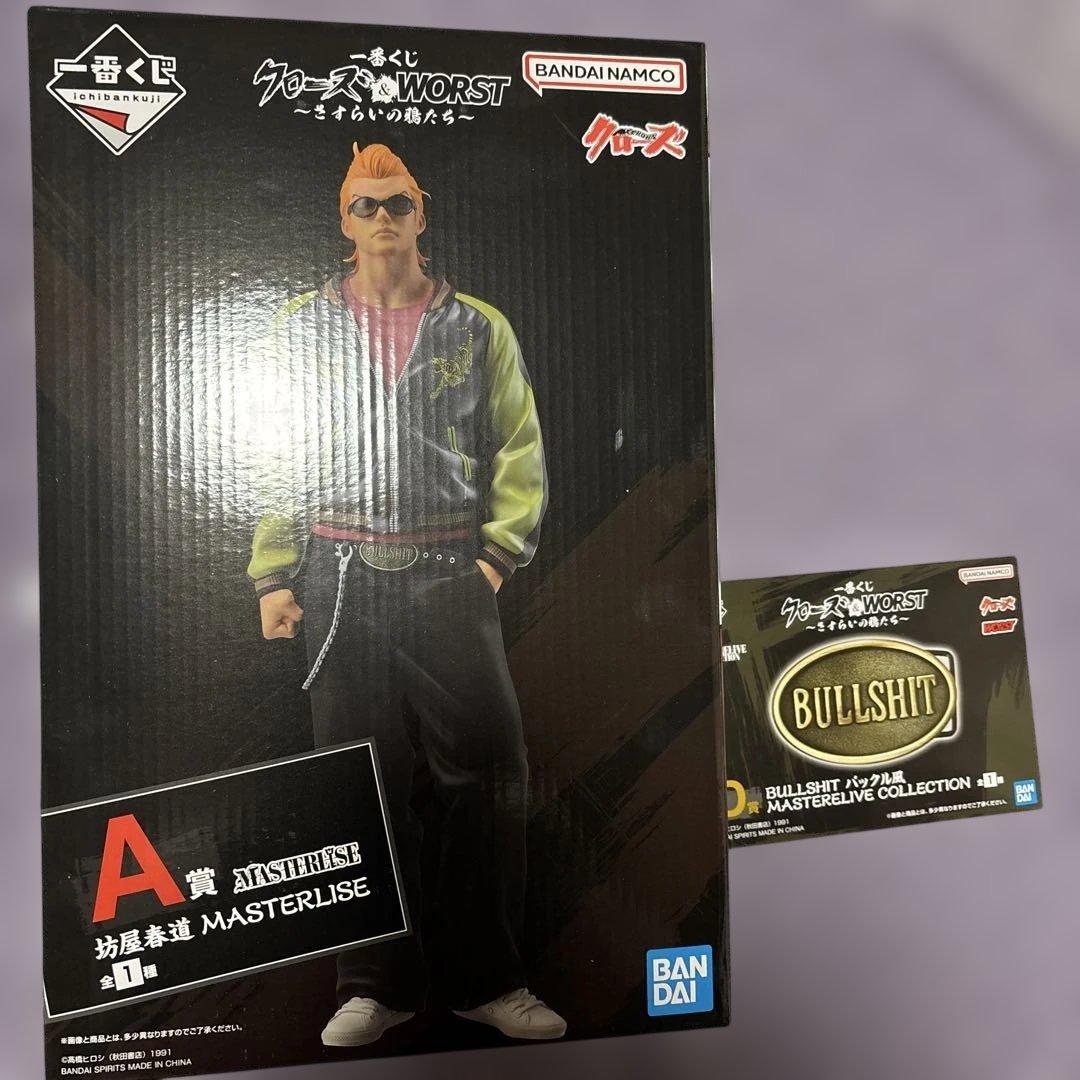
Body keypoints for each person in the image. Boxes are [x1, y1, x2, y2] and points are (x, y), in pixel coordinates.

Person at [246, 142, 564, 1047]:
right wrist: (274, 572)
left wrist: (495, 559)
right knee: (357, 783)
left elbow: (519, 447)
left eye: (397, 204)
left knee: (488, 775)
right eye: (366, 205)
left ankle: (488, 980)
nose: (382, 219)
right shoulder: (300, 326)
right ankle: (372, 987)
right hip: (339, 572)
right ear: (344, 220)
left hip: (446, 571)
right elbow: (271, 451)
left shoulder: (477, 327)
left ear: (422, 213)